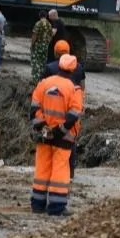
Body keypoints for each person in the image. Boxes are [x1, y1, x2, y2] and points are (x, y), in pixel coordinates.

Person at [30, 54, 83, 216]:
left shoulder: (44, 83)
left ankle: (37, 204)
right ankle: (56, 207)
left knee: (42, 169)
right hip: (64, 138)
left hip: (44, 136)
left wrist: (44, 128)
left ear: (59, 66)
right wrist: (59, 131)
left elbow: (33, 109)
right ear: (73, 70)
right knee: (60, 170)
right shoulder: (74, 89)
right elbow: (74, 115)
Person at [41, 40, 86, 180]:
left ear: (55, 52)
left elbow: (42, 88)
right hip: (72, 109)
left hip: (54, 109)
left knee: (49, 139)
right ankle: (70, 171)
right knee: (70, 140)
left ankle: (49, 170)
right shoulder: (78, 67)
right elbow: (82, 86)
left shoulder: (50, 68)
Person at [31, 10, 53, 84]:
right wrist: (47, 42)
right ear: (46, 16)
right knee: (43, 63)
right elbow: (51, 35)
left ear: (39, 16)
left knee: (36, 63)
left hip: (37, 45)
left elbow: (35, 35)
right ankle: (42, 80)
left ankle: (35, 81)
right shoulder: (49, 24)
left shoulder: (38, 24)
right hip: (45, 45)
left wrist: (32, 44)